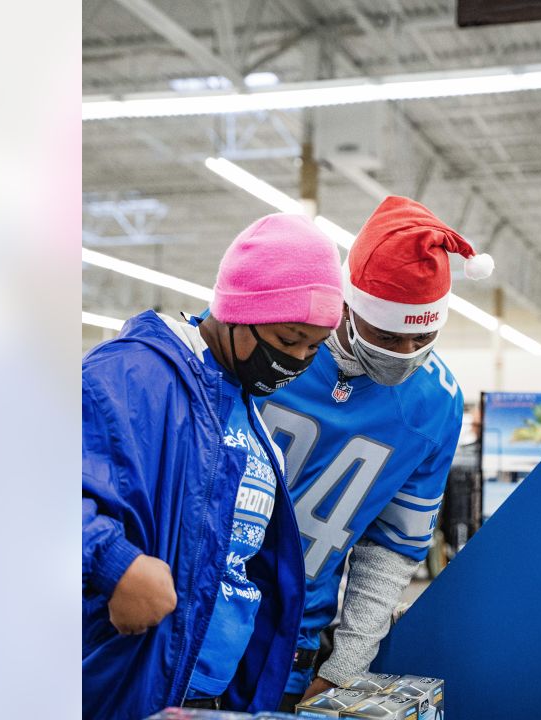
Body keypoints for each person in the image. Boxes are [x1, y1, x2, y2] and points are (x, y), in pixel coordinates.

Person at [82, 214, 345, 719]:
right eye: (288, 340)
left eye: (313, 349)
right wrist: (114, 565)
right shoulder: (131, 376)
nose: (295, 361)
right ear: (238, 312)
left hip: (211, 696)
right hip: (132, 684)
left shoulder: (252, 419)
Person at [256, 196, 495, 708]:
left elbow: (393, 549)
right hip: (191, 605)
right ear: (348, 306)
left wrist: (345, 666)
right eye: (387, 336)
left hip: (295, 635)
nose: (404, 356)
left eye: (423, 337)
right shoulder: (273, 337)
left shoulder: (436, 402)